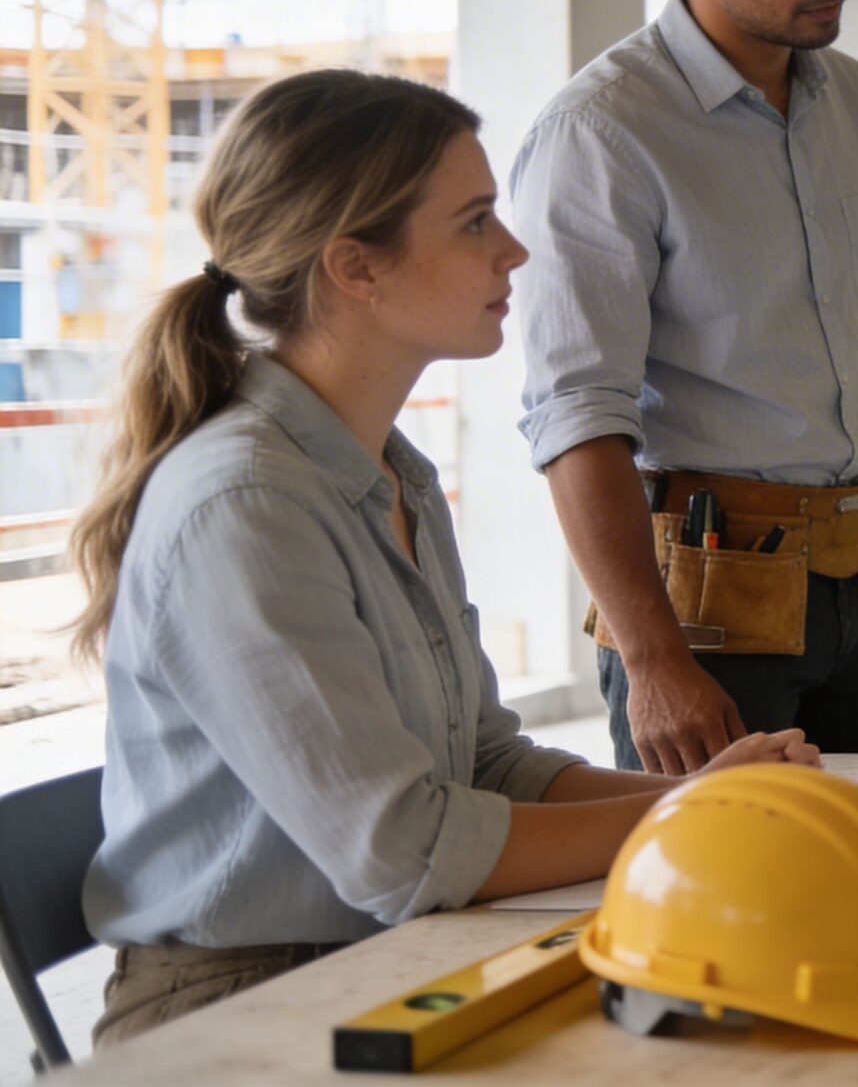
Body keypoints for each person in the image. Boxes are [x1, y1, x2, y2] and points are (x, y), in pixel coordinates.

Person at [69, 71, 819, 1047]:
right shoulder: (246, 506)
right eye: (473, 224)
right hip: (241, 1002)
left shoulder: (393, 473)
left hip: (389, 951)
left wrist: (738, 798)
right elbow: (406, 853)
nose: (513, 250)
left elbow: (484, 764)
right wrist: (694, 808)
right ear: (356, 267)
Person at [512, 0, 858, 775]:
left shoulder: (855, 100)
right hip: (706, 605)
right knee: (725, 892)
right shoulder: (604, 133)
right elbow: (577, 417)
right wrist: (653, 661)